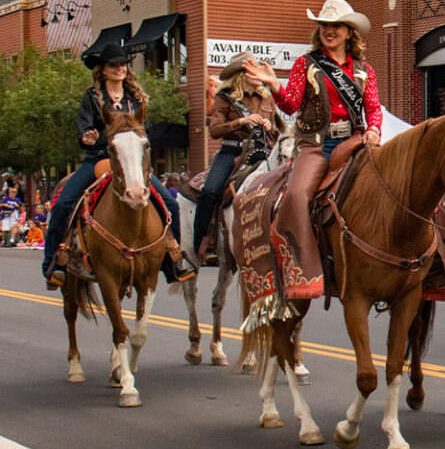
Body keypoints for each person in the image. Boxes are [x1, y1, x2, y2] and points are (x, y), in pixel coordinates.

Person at [245, 0, 382, 299]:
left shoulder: (364, 70)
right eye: (324, 26)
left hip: (355, 141)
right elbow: (290, 105)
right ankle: (305, 269)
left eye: (336, 26)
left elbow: (373, 108)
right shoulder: (305, 64)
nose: (329, 31)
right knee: (296, 196)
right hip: (316, 145)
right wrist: (274, 85)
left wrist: (374, 129)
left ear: (349, 32)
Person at [41, 42, 194, 288]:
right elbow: (84, 128)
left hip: (131, 161)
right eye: (113, 65)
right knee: (63, 204)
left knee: (169, 203)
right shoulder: (92, 98)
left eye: (123, 64)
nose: (119, 68)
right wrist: (87, 137)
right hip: (99, 158)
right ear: (103, 70)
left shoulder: (136, 100)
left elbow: (143, 132)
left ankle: (172, 259)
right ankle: (53, 263)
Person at [194, 53, 278, 260]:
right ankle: (203, 239)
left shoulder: (267, 97)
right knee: (210, 191)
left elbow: (277, 131)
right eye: (252, 69)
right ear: (242, 74)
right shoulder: (224, 98)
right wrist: (241, 122)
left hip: (262, 151)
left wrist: (270, 127)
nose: (258, 73)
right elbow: (215, 131)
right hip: (232, 150)